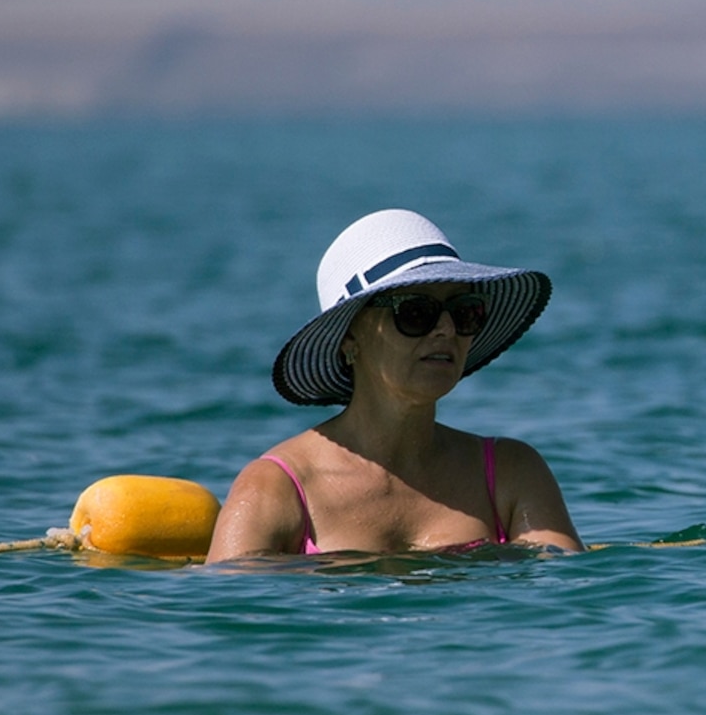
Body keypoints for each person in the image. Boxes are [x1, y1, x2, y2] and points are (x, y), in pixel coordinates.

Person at [208, 209, 582, 560]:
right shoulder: (275, 489)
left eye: (464, 311)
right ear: (349, 338)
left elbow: (564, 603)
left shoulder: (513, 474)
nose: (447, 329)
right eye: (416, 313)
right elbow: (231, 614)